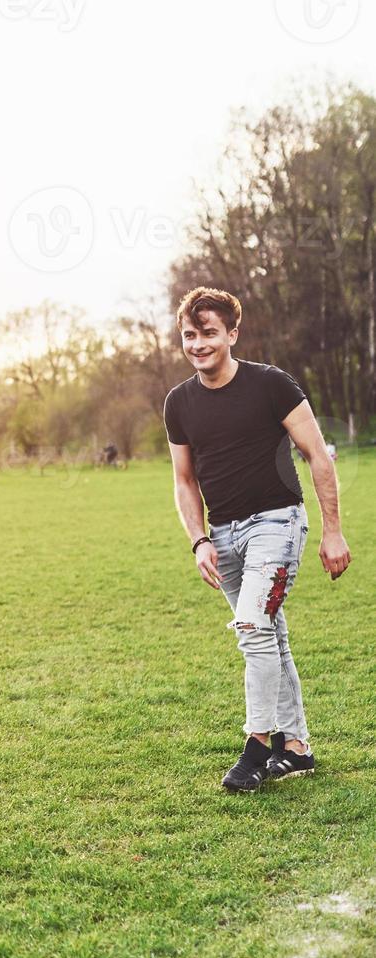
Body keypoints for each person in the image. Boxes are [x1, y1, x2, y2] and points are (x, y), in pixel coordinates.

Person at [164, 286, 352, 793]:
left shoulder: (272, 385)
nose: (198, 344)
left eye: (208, 333)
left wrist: (332, 531)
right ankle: (297, 750)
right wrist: (199, 539)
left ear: (231, 334)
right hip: (222, 535)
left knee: (251, 626)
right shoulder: (178, 403)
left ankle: (255, 749)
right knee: (271, 637)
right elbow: (184, 480)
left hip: (277, 522)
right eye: (189, 335)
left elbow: (318, 455)